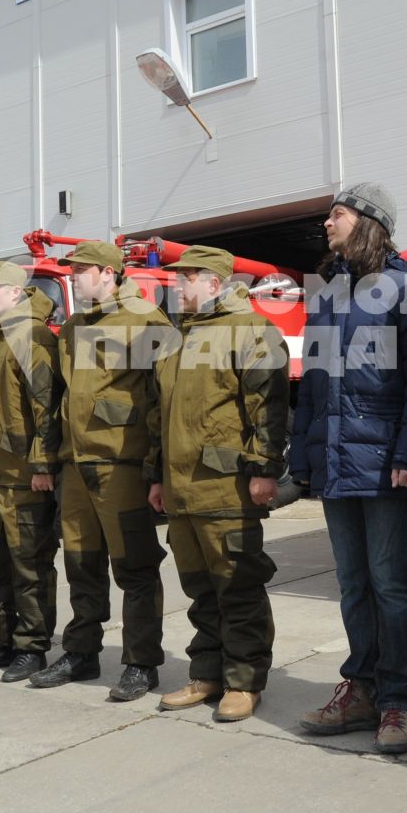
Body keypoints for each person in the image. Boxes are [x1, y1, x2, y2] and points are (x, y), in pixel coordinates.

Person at [291, 184, 407, 754]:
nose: (327, 223)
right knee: (352, 585)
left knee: (391, 584)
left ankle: (398, 701)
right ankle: (362, 689)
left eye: (338, 214)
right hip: (334, 461)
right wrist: (302, 458)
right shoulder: (325, 296)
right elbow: (312, 390)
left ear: (370, 222)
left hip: (384, 464)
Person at [148, 246, 289, 723]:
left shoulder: (250, 330)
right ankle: (207, 673)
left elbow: (267, 407)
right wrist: (156, 477)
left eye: (187, 277)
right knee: (200, 590)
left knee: (238, 586)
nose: (178, 285)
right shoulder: (174, 338)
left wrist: (265, 469)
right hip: (182, 489)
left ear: (214, 282)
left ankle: (244, 681)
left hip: (226, 486)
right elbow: (158, 416)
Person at [40, 240, 171, 701]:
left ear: (107, 273)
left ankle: (141, 663)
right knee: (80, 563)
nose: (74, 277)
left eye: (80, 270)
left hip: (122, 465)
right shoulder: (73, 326)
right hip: (76, 466)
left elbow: (161, 400)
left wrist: (155, 468)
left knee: (134, 568)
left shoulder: (145, 320)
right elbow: (60, 398)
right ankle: (81, 654)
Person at [0, 260, 64, 686]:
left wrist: (42, 465)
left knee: (29, 564)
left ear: (17, 293)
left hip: (24, 474)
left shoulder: (32, 335)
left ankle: (31, 647)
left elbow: (46, 406)